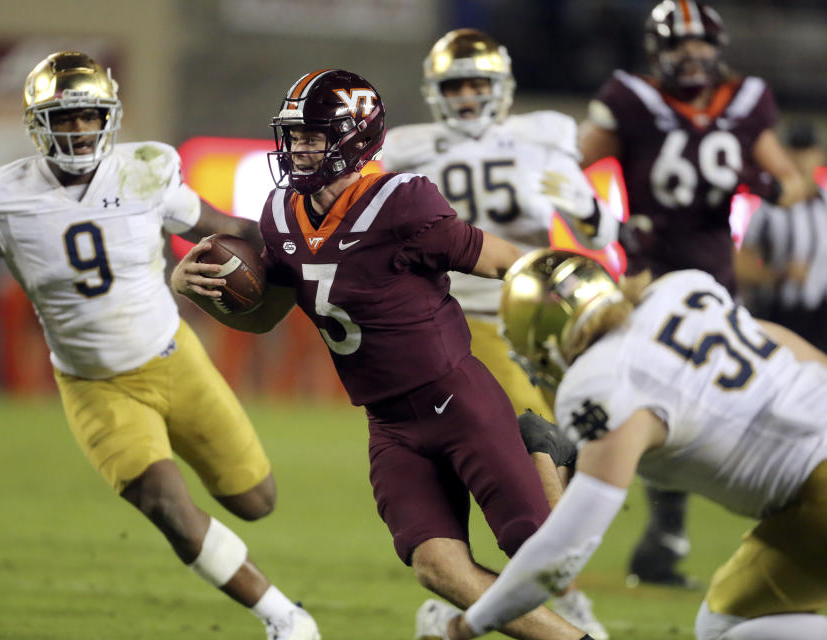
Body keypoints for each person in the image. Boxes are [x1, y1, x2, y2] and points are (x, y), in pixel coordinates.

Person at [0, 51, 320, 640]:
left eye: (90, 115)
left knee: (256, 500)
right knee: (167, 505)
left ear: (110, 116)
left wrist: (310, 249)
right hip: (94, 385)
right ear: (38, 123)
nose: (80, 129)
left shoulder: (145, 170)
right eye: (66, 117)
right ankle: (285, 617)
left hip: (174, 358)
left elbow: (222, 228)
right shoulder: (1, 195)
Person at [172, 69, 595, 640]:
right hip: (389, 423)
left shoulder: (400, 201)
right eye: (293, 135)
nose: (297, 148)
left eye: (313, 135)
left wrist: (576, 295)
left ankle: (545, 451)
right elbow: (265, 316)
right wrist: (190, 286)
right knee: (435, 567)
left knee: (540, 565)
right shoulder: (278, 214)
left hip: (459, 401)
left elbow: (495, 259)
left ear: (352, 138)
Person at [417, 248, 827, 640]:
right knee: (725, 621)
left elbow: (561, 553)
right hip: (806, 486)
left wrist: (465, 626)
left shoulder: (602, 382)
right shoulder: (681, 289)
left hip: (816, 486)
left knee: (726, 629)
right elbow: (788, 348)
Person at [380, 28, 617, 638]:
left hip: (541, 322)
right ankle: (554, 598)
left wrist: (587, 208)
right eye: (455, 84)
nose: (465, 96)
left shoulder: (543, 136)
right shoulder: (406, 148)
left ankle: (486, 598)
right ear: (436, 91)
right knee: (533, 451)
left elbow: (597, 233)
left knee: (579, 448)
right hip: (463, 317)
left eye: (476, 83)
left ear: (501, 87)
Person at [577, 0, 805, 587]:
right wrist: (604, 222)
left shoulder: (748, 102)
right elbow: (569, 164)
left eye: (701, 43)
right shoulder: (631, 99)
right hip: (647, 282)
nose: (692, 55)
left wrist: (758, 182)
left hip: (714, 288)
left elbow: (792, 184)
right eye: (679, 46)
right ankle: (642, 526)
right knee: (644, 400)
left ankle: (677, 530)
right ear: (657, 53)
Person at [736, 120, 827, 352]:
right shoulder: (768, 209)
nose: (802, 159)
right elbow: (740, 263)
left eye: (807, 152)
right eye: (796, 151)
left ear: (819, 155)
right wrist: (776, 275)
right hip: (780, 314)